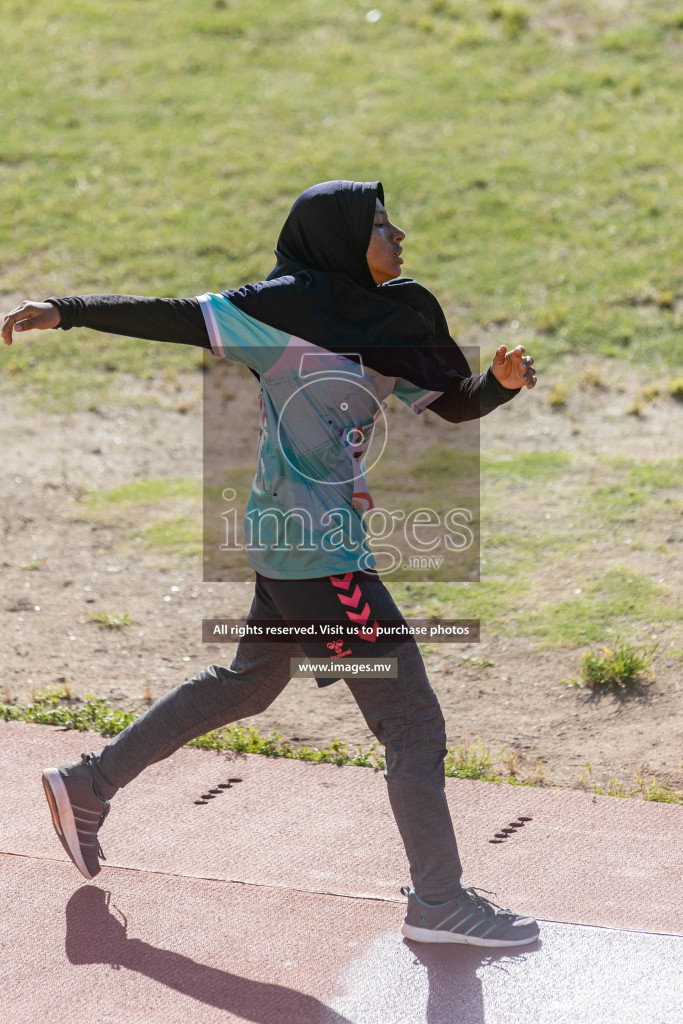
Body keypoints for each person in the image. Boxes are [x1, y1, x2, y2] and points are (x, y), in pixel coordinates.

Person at [2, 180, 539, 947]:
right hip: (315, 554)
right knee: (410, 722)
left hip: (293, 544)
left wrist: (500, 386)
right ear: (339, 237)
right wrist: (70, 309)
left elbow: (452, 403)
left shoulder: (395, 315)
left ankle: (88, 786)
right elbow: (176, 317)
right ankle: (438, 903)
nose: (399, 236)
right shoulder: (275, 317)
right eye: (381, 225)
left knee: (250, 683)